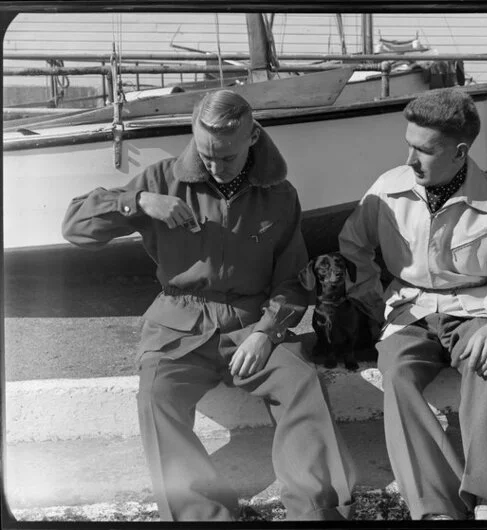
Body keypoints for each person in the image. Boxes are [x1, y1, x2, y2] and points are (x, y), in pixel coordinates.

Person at [62, 90, 357, 522]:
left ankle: (315, 511)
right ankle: (203, 515)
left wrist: (267, 332)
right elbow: (74, 225)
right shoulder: (161, 179)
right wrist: (139, 202)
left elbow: (292, 282)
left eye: (227, 158)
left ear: (252, 137)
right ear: (194, 135)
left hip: (252, 322)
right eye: (205, 155)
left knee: (301, 383)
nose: (215, 168)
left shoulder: (280, 195)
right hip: (179, 325)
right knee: (156, 395)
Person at [339, 88, 487, 521]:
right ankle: (436, 508)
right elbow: (353, 245)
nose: (410, 159)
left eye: (424, 150)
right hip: (408, 310)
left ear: (460, 151)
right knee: (397, 376)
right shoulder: (388, 189)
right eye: (409, 144)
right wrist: (372, 301)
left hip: (476, 311)